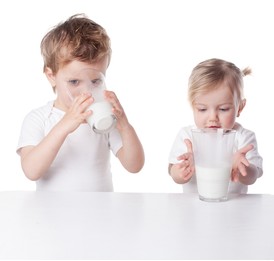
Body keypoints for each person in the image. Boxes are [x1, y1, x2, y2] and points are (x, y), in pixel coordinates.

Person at [16, 14, 145, 191]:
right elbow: (31, 171)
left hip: (100, 212)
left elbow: (134, 165)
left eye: (95, 81)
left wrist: (124, 125)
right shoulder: (39, 118)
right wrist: (65, 124)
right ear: (51, 76)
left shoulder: (103, 117)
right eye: (74, 82)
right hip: (51, 215)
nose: (86, 91)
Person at [168, 58, 263, 194]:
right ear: (193, 107)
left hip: (233, 209)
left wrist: (243, 168)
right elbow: (173, 174)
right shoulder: (187, 136)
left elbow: (254, 176)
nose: (213, 118)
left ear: (240, 108)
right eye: (202, 109)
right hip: (194, 208)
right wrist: (184, 168)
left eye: (223, 109)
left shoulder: (243, 138)